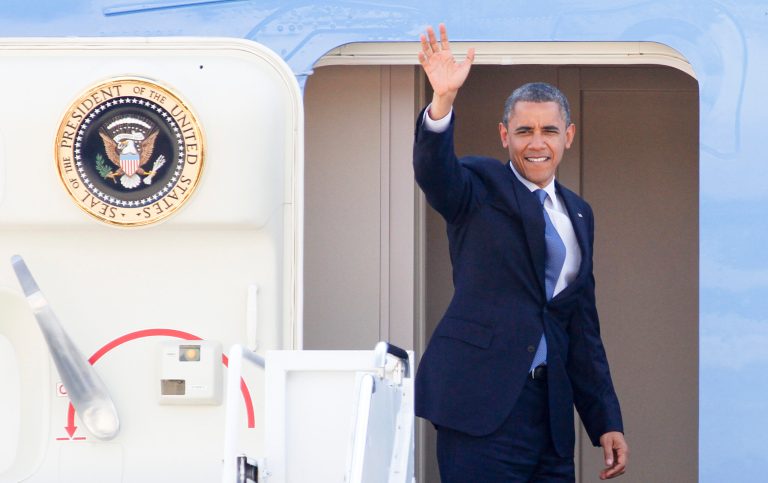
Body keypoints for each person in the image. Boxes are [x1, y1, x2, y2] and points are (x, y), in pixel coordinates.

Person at [413, 24, 629, 482]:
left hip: (549, 416)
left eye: (549, 130)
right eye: (524, 131)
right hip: (481, 405)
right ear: (503, 135)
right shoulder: (479, 186)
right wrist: (442, 101)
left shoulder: (579, 214)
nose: (536, 143)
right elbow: (435, 173)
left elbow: (581, 326)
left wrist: (605, 420)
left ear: (568, 136)